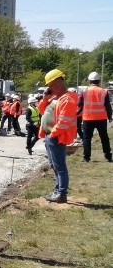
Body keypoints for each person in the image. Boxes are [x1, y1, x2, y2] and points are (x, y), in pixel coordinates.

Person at [41, 68, 78, 203]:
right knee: (54, 165)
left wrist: (53, 135)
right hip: (49, 136)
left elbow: (64, 122)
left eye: (51, 84)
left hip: (56, 137)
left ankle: (61, 193)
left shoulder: (67, 99)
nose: (49, 88)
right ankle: (57, 190)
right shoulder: (54, 98)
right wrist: (45, 99)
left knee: (59, 166)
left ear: (59, 81)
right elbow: (42, 110)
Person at [79, 71, 112, 162]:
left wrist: (75, 115)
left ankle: (86, 157)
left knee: (86, 138)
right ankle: (108, 156)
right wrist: (110, 116)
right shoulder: (104, 91)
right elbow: (108, 106)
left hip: (88, 118)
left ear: (89, 81)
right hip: (101, 118)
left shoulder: (84, 91)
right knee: (104, 137)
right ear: (99, 81)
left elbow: (79, 105)